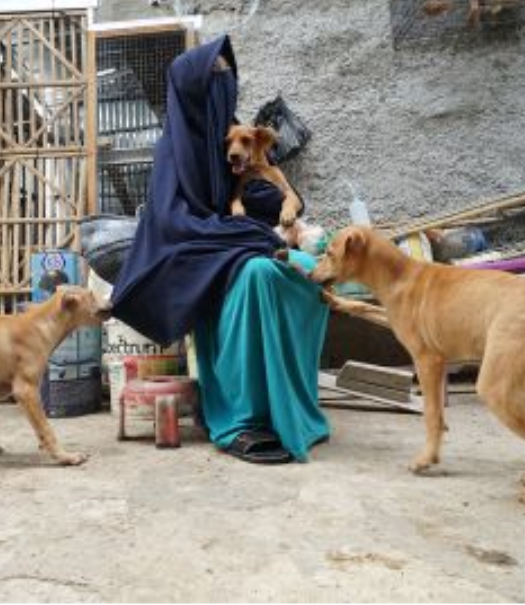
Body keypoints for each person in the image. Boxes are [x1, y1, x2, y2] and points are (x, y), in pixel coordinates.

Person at [111, 35, 330, 464]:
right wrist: (245, 235)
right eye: (214, 82)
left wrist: (280, 202)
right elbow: (174, 223)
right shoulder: (173, 151)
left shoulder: (234, 137)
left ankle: (291, 405)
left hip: (243, 243)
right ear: (191, 90)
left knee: (309, 270)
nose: (222, 92)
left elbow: (276, 202)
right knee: (258, 274)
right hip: (197, 255)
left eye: (228, 81)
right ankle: (245, 416)